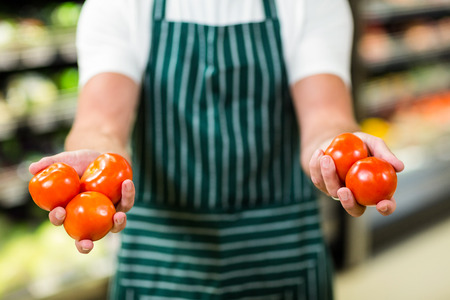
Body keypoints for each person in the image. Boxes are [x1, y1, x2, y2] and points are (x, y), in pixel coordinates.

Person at [29, 0, 404, 299]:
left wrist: (338, 152)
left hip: (284, 256)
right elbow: (101, 123)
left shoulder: (310, 3)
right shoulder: (121, 5)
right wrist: (94, 164)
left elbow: (326, 117)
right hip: (161, 261)